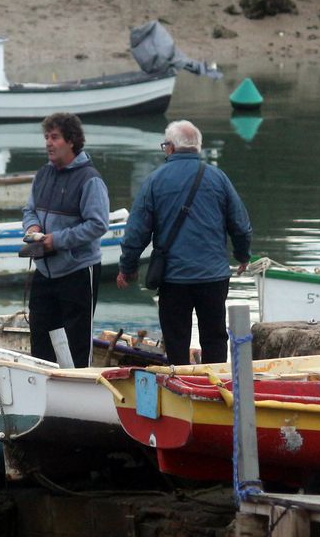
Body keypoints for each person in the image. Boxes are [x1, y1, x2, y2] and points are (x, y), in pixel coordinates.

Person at [116, 120, 252, 365]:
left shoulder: (154, 181)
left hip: (173, 279)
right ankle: (216, 389)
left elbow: (136, 232)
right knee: (215, 337)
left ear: (170, 147)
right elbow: (240, 224)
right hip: (213, 277)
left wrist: (127, 268)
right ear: (197, 148)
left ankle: (180, 388)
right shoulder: (218, 178)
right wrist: (243, 255)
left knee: (176, 340)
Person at [21, 112, 110, 366]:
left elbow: (97, 224)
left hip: (78, 272)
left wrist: (56, 241)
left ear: (71, 140)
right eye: (46, 137)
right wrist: (33, 226)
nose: (48, 142)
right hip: (44, 272)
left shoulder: (90, 179)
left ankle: (79, 395)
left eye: (55, 137)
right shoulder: (43, 175)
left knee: (77, 345)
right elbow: (29, 210)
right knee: (40, 341)